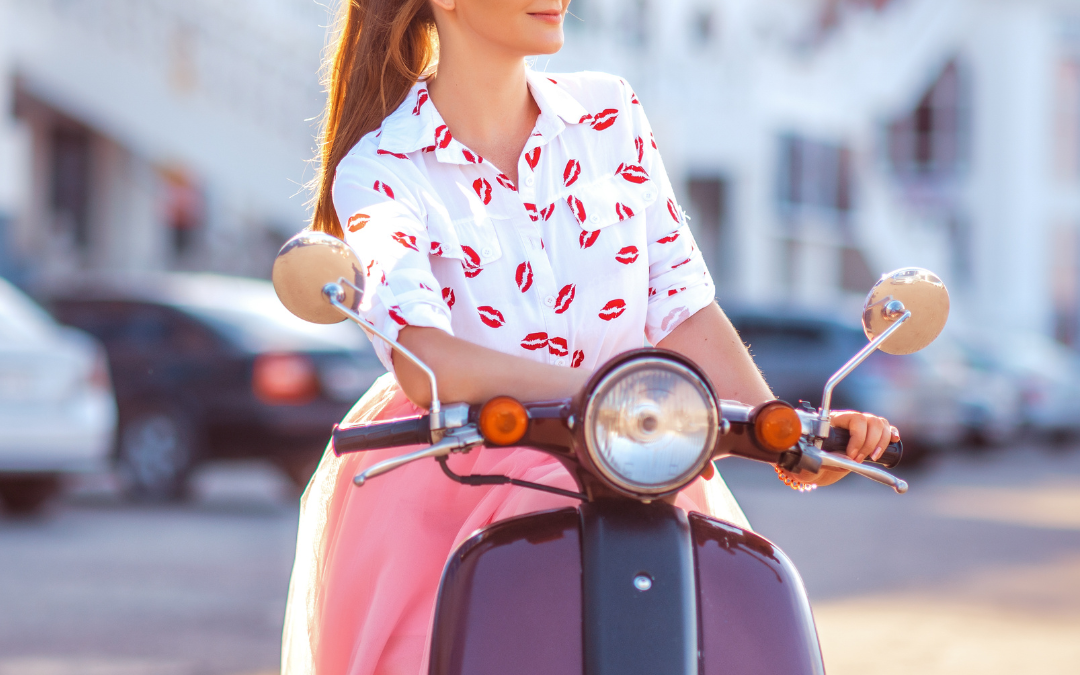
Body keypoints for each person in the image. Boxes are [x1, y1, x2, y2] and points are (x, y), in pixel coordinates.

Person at [281, 1, 899, 673]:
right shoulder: (382, 166)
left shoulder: (610, 114)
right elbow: (426, 357)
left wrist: (783, 429)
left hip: (635, 458)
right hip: (465, 474)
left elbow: (683, 308)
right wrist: (621, 396)